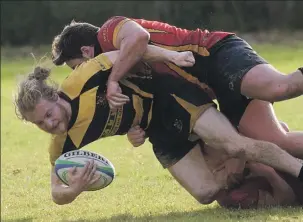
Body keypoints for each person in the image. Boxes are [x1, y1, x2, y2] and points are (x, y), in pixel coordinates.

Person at [14, 47, 303, 206]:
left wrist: (171, 57)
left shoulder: (83, 78)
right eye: (40, 124)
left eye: (49, 114)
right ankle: (253, 159)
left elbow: (134, 49)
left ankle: (294, 169)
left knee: (234, 145)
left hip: (168, 97)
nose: (50, 124)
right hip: (156, 129)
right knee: (206, 193)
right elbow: (55, 193)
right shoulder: (61, 144)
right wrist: (74, 189)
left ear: (54, 96)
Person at [51, 18, 303, 161]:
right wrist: (134, 132)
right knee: (275, 142)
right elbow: (147, 105)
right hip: (209, 90)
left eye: (76, 67)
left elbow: (138, 38)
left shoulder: (109, 33)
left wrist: (114, 79)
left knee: (280, 87)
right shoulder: (111, 71)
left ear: (86, 51)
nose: (78, 74)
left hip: (214, 54)